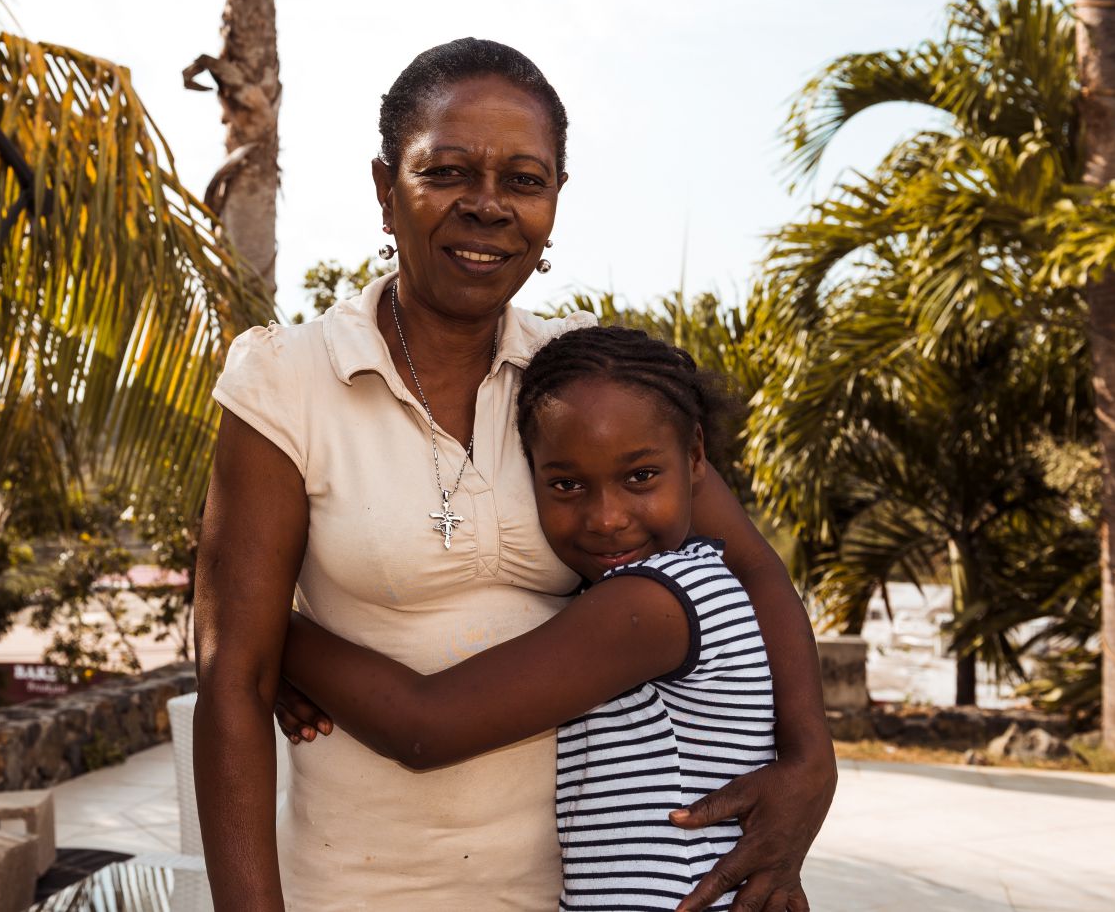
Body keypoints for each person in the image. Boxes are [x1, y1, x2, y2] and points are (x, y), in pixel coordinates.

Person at [193, 37, 835, 911]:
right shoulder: (288, 380)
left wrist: (810, 764)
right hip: (356, 888)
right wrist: (262, 644)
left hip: (583, 893)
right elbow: (233, 677)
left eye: (524, 181)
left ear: (555, 199)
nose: (488, 206)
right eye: (448, 172)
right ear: (386, 189)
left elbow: (753, 566)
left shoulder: (585, 387)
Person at [280, 325, 774, 911]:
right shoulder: (664, 587)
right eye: (567, 484)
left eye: (639, 476)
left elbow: (424, 727)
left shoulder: (654, 605)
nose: (607, 518)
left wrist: (273, 632)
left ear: (694, 456)